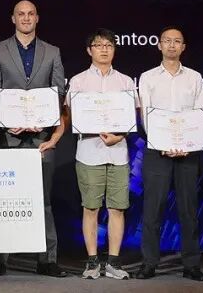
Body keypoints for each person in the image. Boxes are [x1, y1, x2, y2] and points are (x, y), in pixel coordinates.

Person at [0, 0, 67, 277]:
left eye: (31, 14)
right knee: (4, 200)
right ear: (13, 18)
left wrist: (45, 120)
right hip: (8, 138)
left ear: (37, 18)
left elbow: (58, 94)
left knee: (43, 201)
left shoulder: (52, 52)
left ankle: (47, 260)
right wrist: (8, 123)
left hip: (42, 137)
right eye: (21, 14)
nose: (26, 18)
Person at [134, 26, 203, 281]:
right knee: (152, 210)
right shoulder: (147, 77)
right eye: (167, 41)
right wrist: (162, 142)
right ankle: (149, 263)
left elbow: (198, 115)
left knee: (189, 210)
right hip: (157, 151)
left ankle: (192, 265)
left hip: (188, 152)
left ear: (183, 47)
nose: (172, 45)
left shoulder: (195, 78)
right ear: (159, 45)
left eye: (177, 41)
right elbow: (146, 116)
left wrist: (186, 143)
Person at [68, 28, 136, 280]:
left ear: (114, 49)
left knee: (117, 208)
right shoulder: (78, 82)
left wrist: (120, 135)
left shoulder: (126, 82)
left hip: (118, 153)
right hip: (89, 152)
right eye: (99, 45)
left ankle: (114, 262)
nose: (104, 49)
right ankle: (92, 263)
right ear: (90, 50)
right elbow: (72, 115)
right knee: (91, 208)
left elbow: (132, 117)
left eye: (109, 45)